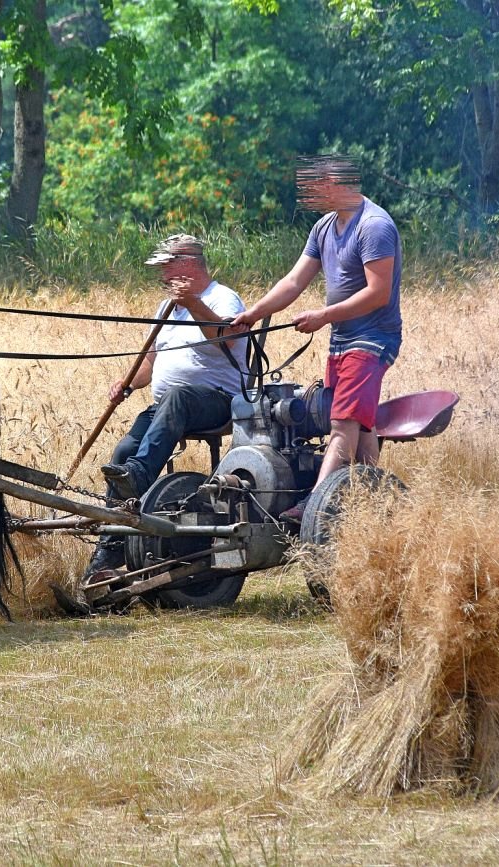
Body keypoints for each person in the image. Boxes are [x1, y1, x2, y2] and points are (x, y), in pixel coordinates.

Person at [230, 155, 402, 522]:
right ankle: (372, 503)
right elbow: (294, 282)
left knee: (342, 424)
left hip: (372, 340)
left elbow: (378, 293)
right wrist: (253, 314)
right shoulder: (324, 228)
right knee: (361, 423)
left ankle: (316, 506)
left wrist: (323, 316)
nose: (311, 196)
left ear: (335, 184)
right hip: (343, 340)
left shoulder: (374, 226)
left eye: (315, 188)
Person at [82, 233, 246, 580]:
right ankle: (108, 555)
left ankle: (140, 476)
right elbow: (151, 363)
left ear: (187, 263)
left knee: (177, 397)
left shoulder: (224, 298)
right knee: (124, 450)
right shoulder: (167, 308)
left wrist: (194, 304)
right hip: (171, 406)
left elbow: (227, 338)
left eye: (167, 267)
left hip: (217, 401)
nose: (162, 276)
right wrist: (127, 384)